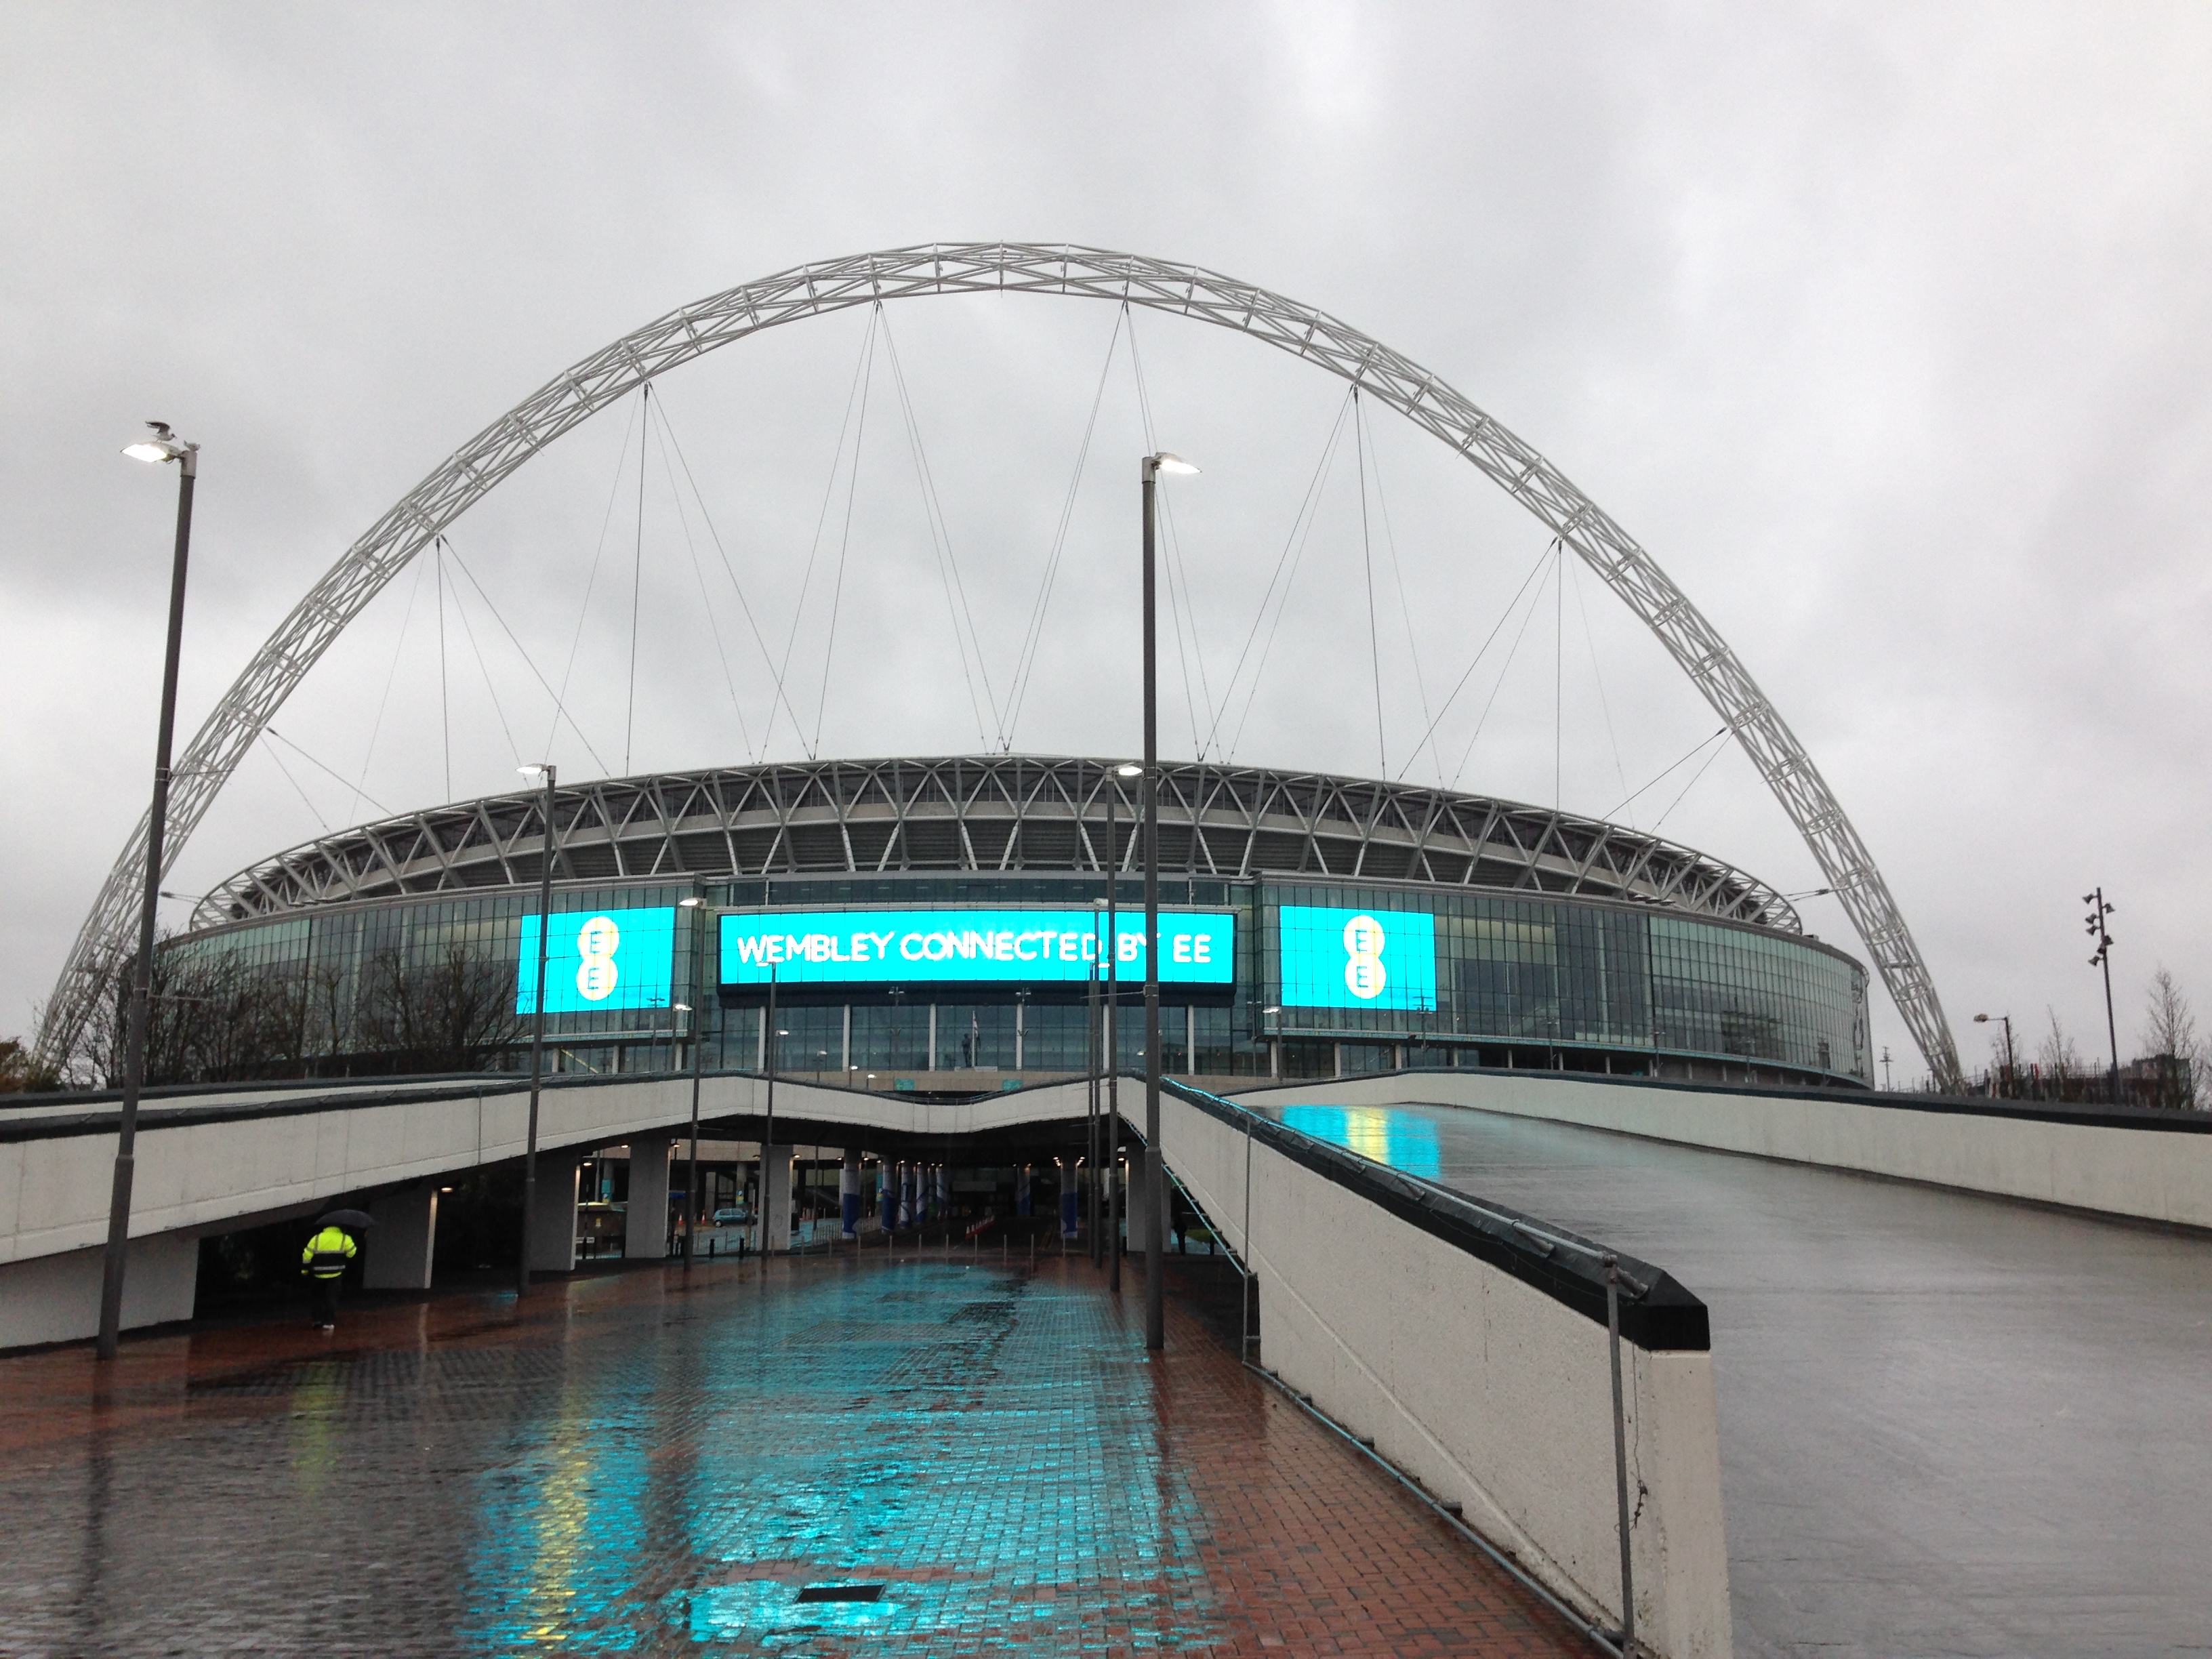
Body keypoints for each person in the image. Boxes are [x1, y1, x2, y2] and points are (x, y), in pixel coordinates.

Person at [300, 1221, 358, 1331]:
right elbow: (352, 1253)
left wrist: (304, 1270)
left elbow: (306, 1255)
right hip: (336, 1274)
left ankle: (317, 1320)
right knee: (331, 1297)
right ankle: (328, 1322)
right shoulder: (345, 1238)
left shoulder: (316, 1238)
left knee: (318, 1297)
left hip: (318, 1273)